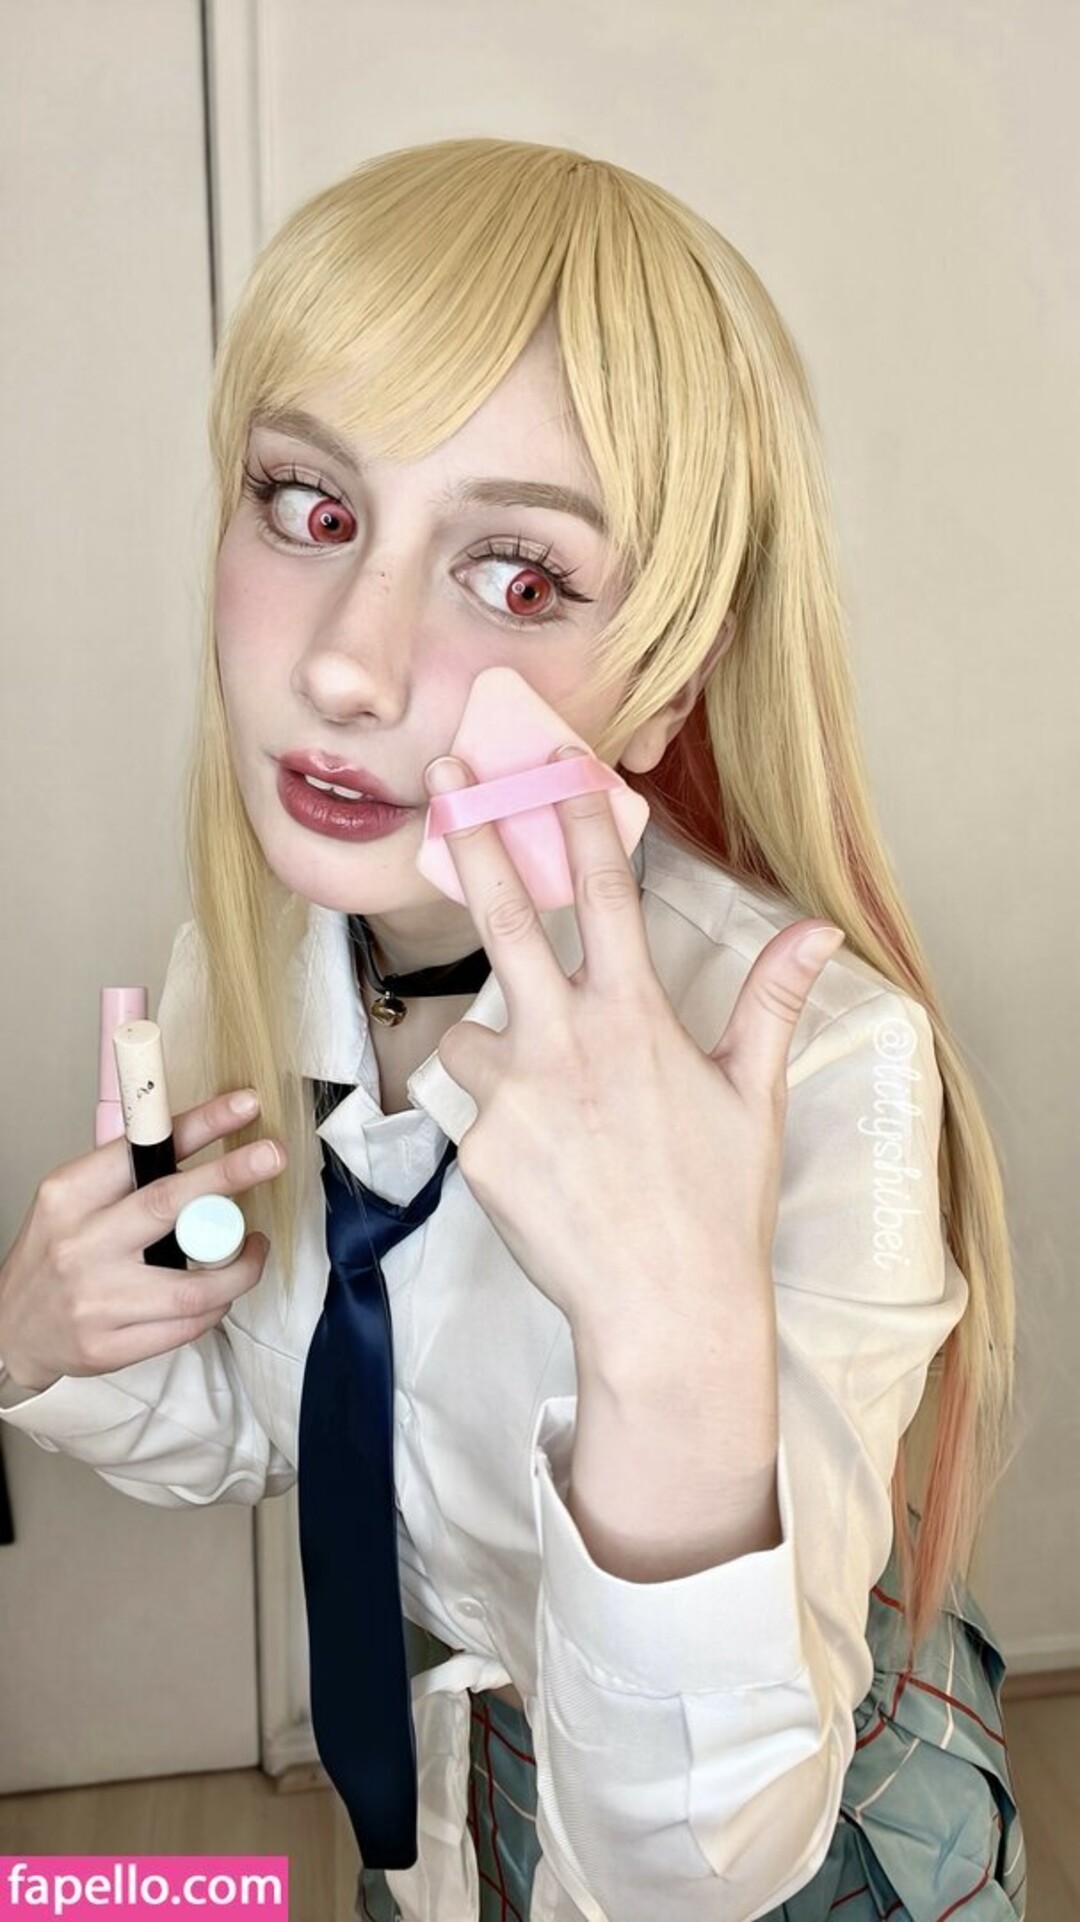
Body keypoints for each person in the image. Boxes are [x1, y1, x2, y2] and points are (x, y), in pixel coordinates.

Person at [0, 137, 1026, 1920]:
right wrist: (52, 1337)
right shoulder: (241, 954)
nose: (345, 663)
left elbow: (707, 1870)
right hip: (445, 1801)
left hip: (792, 1832)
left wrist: (674, 1352)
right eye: (310, 507)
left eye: (522, 577)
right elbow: (277, 1421)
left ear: (672, 675)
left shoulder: (825, 1065)